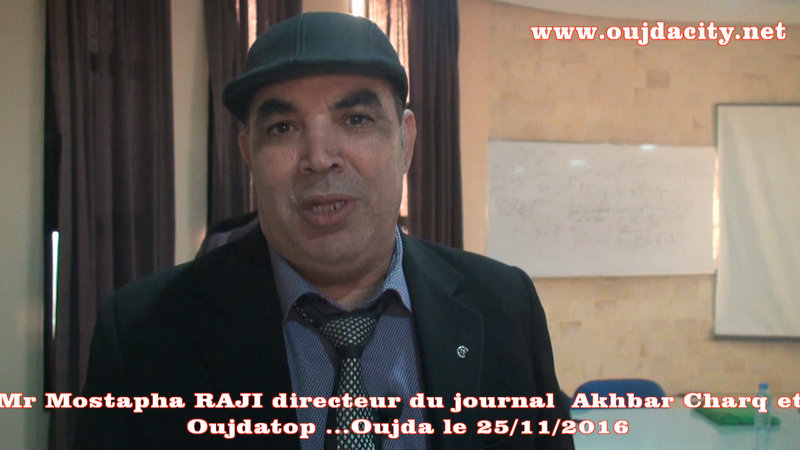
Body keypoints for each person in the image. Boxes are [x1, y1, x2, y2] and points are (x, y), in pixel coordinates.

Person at [73, 12, 573, 449]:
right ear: (249, 155)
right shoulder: (144, 336)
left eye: (355, 119)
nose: (318, 157)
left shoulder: (505, 307)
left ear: (406, 141)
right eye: (283, 128)